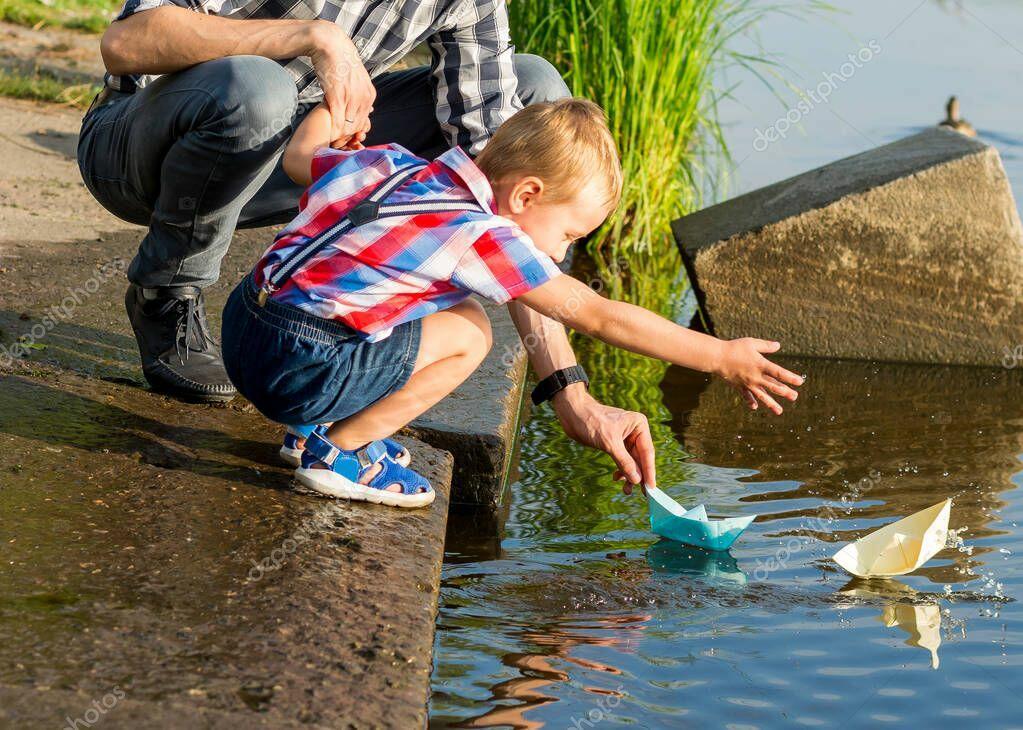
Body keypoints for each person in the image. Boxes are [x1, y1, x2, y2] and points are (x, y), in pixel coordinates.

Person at [77, 0, 668, 492]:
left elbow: (507, 205)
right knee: (259, 86)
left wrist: (569, 391)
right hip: (149, 141)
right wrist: (315, 38)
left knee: (532, 94)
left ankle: (350, 323)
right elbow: (126, 44)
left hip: (311, 154)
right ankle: (168, 289)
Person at [219, 98, 804, 508]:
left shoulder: (393, 164)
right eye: (569, 235)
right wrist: (720, 356)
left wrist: (336, 109)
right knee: (471, 332)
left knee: (390, 301)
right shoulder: (482, 233)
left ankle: (308, 431)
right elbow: (596, 314)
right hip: (298, 367)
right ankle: (338, 453)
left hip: (242, 327)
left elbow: (302, 157)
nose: (562, 251)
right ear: (526, 195)